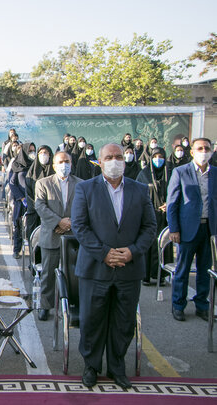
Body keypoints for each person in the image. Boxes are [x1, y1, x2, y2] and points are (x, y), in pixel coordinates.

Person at [71, 143, 156, 389]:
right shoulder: (85, 189)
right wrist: (105, 253)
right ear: (100, 160)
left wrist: (132, 252)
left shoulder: (140, 190)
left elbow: (149, 227)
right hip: (95, 268)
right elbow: (80, 226)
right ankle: (91, 366)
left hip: (129, 268)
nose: (115, 160)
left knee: (123, 321)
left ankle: (117, 367)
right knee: (92, 319)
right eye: (109, 157)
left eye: (119, 156)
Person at [166, 138, 217, 322]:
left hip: (209, 229)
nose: (204, 151)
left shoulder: (215, 173)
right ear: (192, 152)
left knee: (205, 270)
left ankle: (202, 305)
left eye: (207, 148)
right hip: (187, 229)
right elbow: (172, 203)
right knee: (183, 269)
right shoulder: (181, 172)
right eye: (200, 148)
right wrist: (174, 228)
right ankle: (178, 305)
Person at [34, 151, 80, 321]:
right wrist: (59, 222)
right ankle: (45, 305)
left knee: (74, 273)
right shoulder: (43, 183)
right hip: (51, 234)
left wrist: (70, 223)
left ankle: (73, 304)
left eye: (67, 161)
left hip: (74, 236)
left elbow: (85, 208)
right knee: (48, 272)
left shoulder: (81, 184)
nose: (64, 165)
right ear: (54, 165)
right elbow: (40, 206)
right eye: (60, 162)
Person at [136, 147, 171, 286]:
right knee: (147, 244)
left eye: (160, 156)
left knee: (163, 244)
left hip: (165, 216)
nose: (158, 159)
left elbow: (176, 191)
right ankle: (145, 275)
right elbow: (138, 194)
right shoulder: (144, 174)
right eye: (155, 156)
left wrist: (169, 204)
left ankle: (161, 275)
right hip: (149, 215)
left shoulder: (170, 173)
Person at [8, 143, 36, 257]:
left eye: (34, 151)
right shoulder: (17, 165)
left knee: (33, 227)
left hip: (34, 201)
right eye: (30, 151)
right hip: (21, 201)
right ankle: (16, 250)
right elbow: (12, 183)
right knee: (18, 226)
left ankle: (34, 250)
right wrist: (22, 197)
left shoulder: (35, 165)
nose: (32, 153)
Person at [25, 145, 54, 240]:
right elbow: (29, 193)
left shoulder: (55, 172)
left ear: (50, 155)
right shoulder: (31, 172)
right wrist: (39, 207)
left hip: (53, 212)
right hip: (34, 211)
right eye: (41, 153)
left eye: (45, 153)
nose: (43, 155)